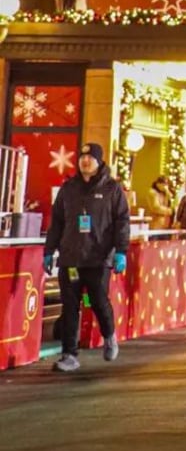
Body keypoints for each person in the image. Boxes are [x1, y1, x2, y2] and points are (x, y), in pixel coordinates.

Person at [43, 142, 130, 373]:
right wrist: (49, 250)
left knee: (99, 301)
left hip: (98, 259)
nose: (85, 161)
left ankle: (109, 335)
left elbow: (122, 221)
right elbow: (57, 222)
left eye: (90, 158)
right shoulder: (69, 188)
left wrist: (121, 251)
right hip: (71, 258)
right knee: (70, 306)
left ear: (99, 161)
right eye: (82, 158)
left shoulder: (112, 189)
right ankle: (69, 354)